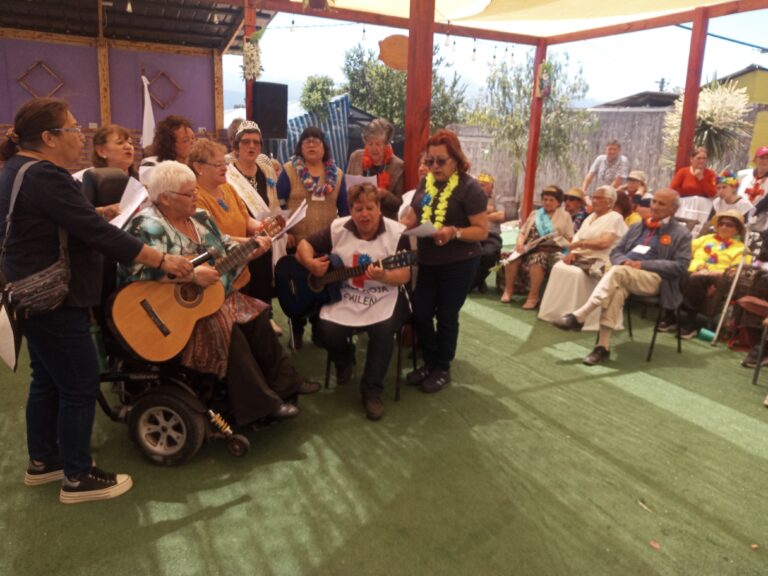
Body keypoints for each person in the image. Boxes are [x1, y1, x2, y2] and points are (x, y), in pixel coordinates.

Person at [0, 98, 193, 503]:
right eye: (72, 129)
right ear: (50, 138)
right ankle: (77, 476)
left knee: (48, 379)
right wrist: (163, 260)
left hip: (29, 295)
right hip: (55, 298)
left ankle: (43, 461)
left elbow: (60, 223)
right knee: (79, 383)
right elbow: (99, 236)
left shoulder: (19, 170)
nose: (80, 137)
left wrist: (95, 212)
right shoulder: (46, 177)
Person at [119, 161, 319, 425]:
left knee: (257, 313)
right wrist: (191, 275)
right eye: (188, 193)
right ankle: (259, 406)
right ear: (165, 198)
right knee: (228, 329)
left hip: (211, 302)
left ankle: (285, 385)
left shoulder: (200, 217)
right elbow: (136, 273)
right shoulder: (147, 225)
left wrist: (251, 249)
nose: (195, 197)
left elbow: (225, 248)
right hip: (163, 317)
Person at [296, 183, 411, 420]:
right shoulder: (338, 227)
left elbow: (404, 275)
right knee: (324, 331)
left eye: (370, 208)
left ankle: (371, 392)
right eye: (358, 209)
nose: (364, 214)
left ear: (379, 208)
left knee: (383, 330)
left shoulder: (397, 233)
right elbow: (304, 245)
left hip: (386, 294)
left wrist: (385, 275)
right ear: (351, 210)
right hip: (346, 293)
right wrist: (310, 263)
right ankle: (344, 357)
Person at [554, 188, 692, 366]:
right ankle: (602, 348)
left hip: (656, 279)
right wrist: (625, 261)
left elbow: (681, 266)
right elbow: (616, 251)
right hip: (625, 273)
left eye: (661, 203)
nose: (655, 206)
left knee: (617, 273)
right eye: (654, 201)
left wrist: (642, 265)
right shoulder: (637, 227)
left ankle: (580, 315)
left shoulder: (681, 234)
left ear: (673, 209)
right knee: (617, 287)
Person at [403, 129, 488, 393]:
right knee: (421, 311)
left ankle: (443, 367)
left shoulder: (470, 188)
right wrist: (406, 222)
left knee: (447, 315)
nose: (434, 166)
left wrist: (454, 232)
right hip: (428, 260)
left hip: (460, 263)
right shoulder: (425, 182)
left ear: (456, 160)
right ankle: (429, 362)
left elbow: (482, 231)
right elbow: (416, 212)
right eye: (430, 161)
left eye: (441, 161)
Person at [276, 126, 349, 346]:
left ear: (324, 146)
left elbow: (345, 210)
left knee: (322, 288)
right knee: (297, 290)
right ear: (300, 146)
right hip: (295, 243)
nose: (310, 143)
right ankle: (297, 331)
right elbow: (278, 206)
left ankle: (319, 331)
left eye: (316, 140)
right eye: (306, 140)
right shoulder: (289, 170)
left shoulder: (337, 175)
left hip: (326, 244)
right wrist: (284, 232)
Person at [221, 121, 285, 335]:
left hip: (265, 233)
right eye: (246, 142)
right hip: (240, 236)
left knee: (264, 278)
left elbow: (273, 202)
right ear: (236, 146)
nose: (252, 146)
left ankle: (266, 317)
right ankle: (247, 323)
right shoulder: (228, 172)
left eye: (256, 142)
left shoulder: (266, 169)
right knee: (246, 280)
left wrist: (277, 225)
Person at [539, 185, 627, 330]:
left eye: (599, 198)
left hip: (602, 259)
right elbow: (576, 239)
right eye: (594, 197)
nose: (594, 200)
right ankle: (555, 313)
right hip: (582, 257)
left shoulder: (615, 218)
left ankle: (578, 317)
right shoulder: (590, 217)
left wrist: (581, 245)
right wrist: (573, 253)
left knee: (576, 273)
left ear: (610, 202)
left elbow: (604, 242)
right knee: (559, 266)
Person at [659, 210, 747, 339]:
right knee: (676, 272)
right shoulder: (706, 239)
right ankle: (670, 316)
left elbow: (737, 271)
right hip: (691, 271)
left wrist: (709, 273)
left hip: (718, 278)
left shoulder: (741, 249)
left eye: (729, 225)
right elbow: (684, 250)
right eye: (721, 223)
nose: (723, 227)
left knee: (697, 279)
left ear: (737, 230)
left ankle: (690, 322)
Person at [500, 185, 573, 309]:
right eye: (545, 199)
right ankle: (508, 291)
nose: (547, 202)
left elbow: (569, 238)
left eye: (551, 200)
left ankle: (533, 297)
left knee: (538, 259)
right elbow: (522, 232)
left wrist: (555, 242)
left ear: (558, 202)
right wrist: (519, 243)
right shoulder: (535, 213)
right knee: (511, 258)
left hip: (547, 250)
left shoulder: (565, 216)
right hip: (527, 248)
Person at [73, 124, 139, 219]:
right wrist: (104, 212)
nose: (128, 147)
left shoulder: (140, 180)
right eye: (120, 143)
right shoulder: (80, 180)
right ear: (101, 151)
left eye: (130, 143)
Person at [346, 118, 405, 220]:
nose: (374, 148)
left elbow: (399, 204)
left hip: (385, 222)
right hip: (359, 219)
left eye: (378, 144)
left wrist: (385, 194)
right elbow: (346, 191)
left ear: (386, 145)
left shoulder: (398, 165)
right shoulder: (355, 157)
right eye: (370, 144)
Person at [471, 173, 505, 293]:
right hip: (474, 233)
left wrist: (480, 215)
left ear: (491, 187)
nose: (480, 188)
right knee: (470, 253)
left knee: (489, 254)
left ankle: (474, 282)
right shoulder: (471, 197)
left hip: (492, 234)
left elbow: (501, 216)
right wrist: (489, 212)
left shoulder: (498, 198)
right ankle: (478, 281)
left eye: (483, 185)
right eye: (478, 185)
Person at [139, 115, 196, 184]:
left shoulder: (196, 167)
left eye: (193, 138)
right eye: (185, 140)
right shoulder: (151, 166)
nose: (192, 142)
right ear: (169, 145)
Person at [670, 146, 716, 226]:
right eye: (699, 158)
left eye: (704, 158)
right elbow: (671, 189)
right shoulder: (683, 172)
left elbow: (712, 193)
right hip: (685, 206)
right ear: (692, 159)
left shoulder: (710, 174)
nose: (701, 161)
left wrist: (701, 179)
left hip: (703, 208)